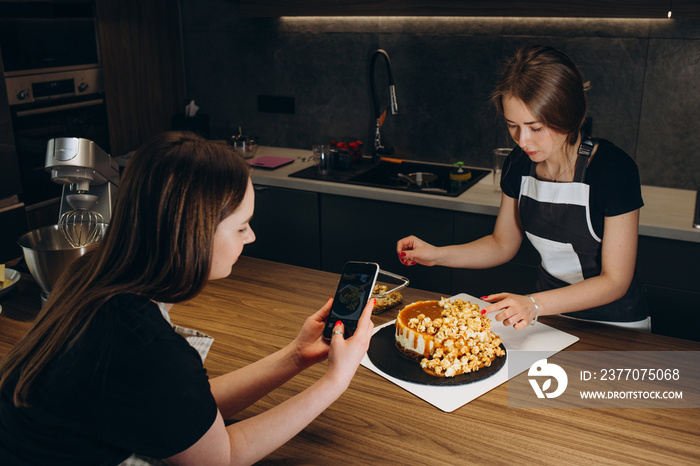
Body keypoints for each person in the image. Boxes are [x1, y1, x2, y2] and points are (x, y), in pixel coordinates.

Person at [0, 132, 375, 465]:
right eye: (241, 226)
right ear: (193, 233)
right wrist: (335, 382)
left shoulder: (93, 279)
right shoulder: (142, 343)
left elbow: (184, 410)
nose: (251, 237)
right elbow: (221, 456)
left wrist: (295, 356)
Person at [397, 45, 649, 331]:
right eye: (512, 125)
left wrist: (534, 304)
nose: (523, 141)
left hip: (616, 326)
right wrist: (437, 255)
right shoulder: (519, 162)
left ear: (568, 115)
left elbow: (616, 281)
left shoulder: (614, 170)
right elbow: (501, 244)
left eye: (536, 127)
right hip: (547, 318)